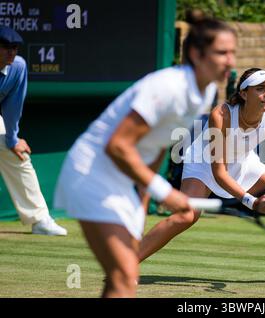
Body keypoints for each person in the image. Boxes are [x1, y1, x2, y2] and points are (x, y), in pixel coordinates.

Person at [53, 15, 237, 297]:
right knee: (125, 276)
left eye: (232, 52)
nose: (230, 61)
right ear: (196, 54)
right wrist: (163, 189)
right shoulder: (169, 88)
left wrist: (140, 205)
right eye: (222, 53)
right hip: (90, 174)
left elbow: (159, 146)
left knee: (122, 278)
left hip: (120, 181)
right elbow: (117, 145)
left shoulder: (206, 91)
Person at [138, 68, 265, 285]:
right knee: (187, 215)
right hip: (204, 163)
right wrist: (252, 202)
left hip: (243, 161)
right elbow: (219, 172)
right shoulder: (221, 115)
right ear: (243, 93)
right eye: (260, 89)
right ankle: (128, 263)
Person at [0, 26, 67, 236]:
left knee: (17, 155)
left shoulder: (17, 67)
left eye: (15, 47)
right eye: (6, 47)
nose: (12, 52)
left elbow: (13, 107)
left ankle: (39, 220)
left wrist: (12, 139)